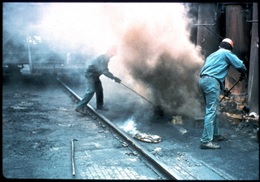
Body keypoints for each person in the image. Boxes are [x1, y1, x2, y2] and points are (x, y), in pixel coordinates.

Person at [198, 38, 247, 149]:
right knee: (211, 110)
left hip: (203, 81)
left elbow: (213, 71)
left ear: (221, 45)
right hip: (211, 82)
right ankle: (205, 141)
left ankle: (215, 135)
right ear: (230, 47)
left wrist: (222, 88)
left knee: (212, 109)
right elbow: (240, 65)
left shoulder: (212, 55)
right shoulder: (226, 53)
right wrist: (244, 72)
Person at [75, 46, 121, 113]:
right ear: (109, 52)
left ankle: (99, 106)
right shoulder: (104, 58)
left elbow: (103, 70)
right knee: (91, 91)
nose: (113, 55)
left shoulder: (105, 58)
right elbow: (104, 71)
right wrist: (114, 78)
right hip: (90, 75)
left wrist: (113, 77)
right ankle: (80, 107)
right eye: (113, 54)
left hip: (95, 76)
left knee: (99, 90)